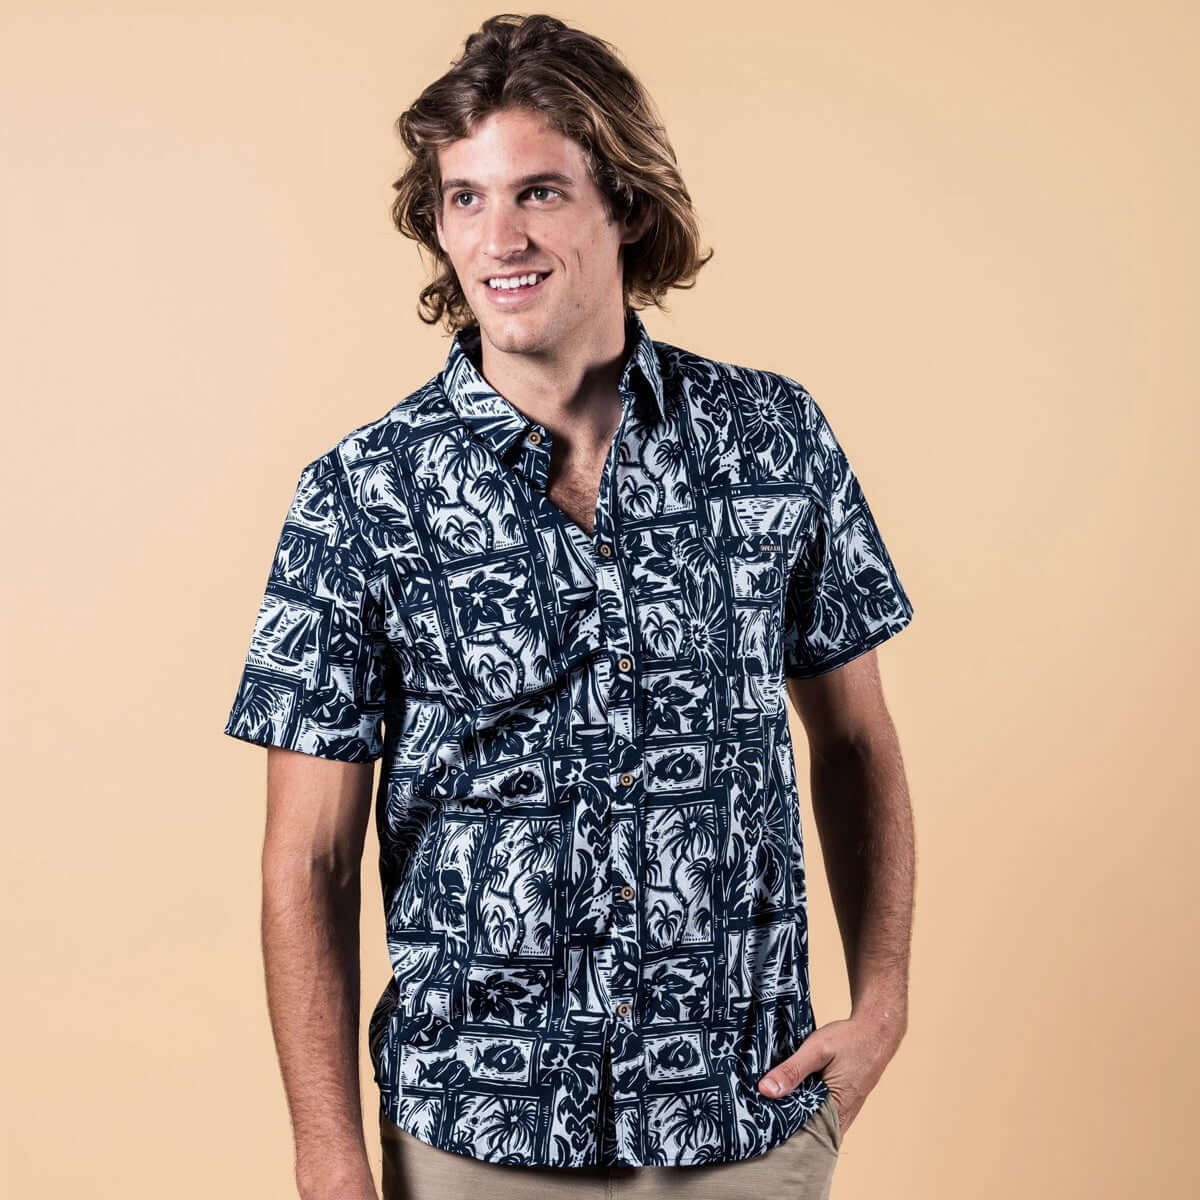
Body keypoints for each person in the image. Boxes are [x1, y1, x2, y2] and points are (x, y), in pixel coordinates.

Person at [223, 13, 916, 1200]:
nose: (500, 239)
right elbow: (309, 858)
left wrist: (884, 1002)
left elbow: (855, 743)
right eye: (465, 199)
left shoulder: (772, 440)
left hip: (742, 1120)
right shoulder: (360, 495)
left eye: (538, 192)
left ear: (627, 205)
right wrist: (330, 1156)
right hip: (472, 1135)